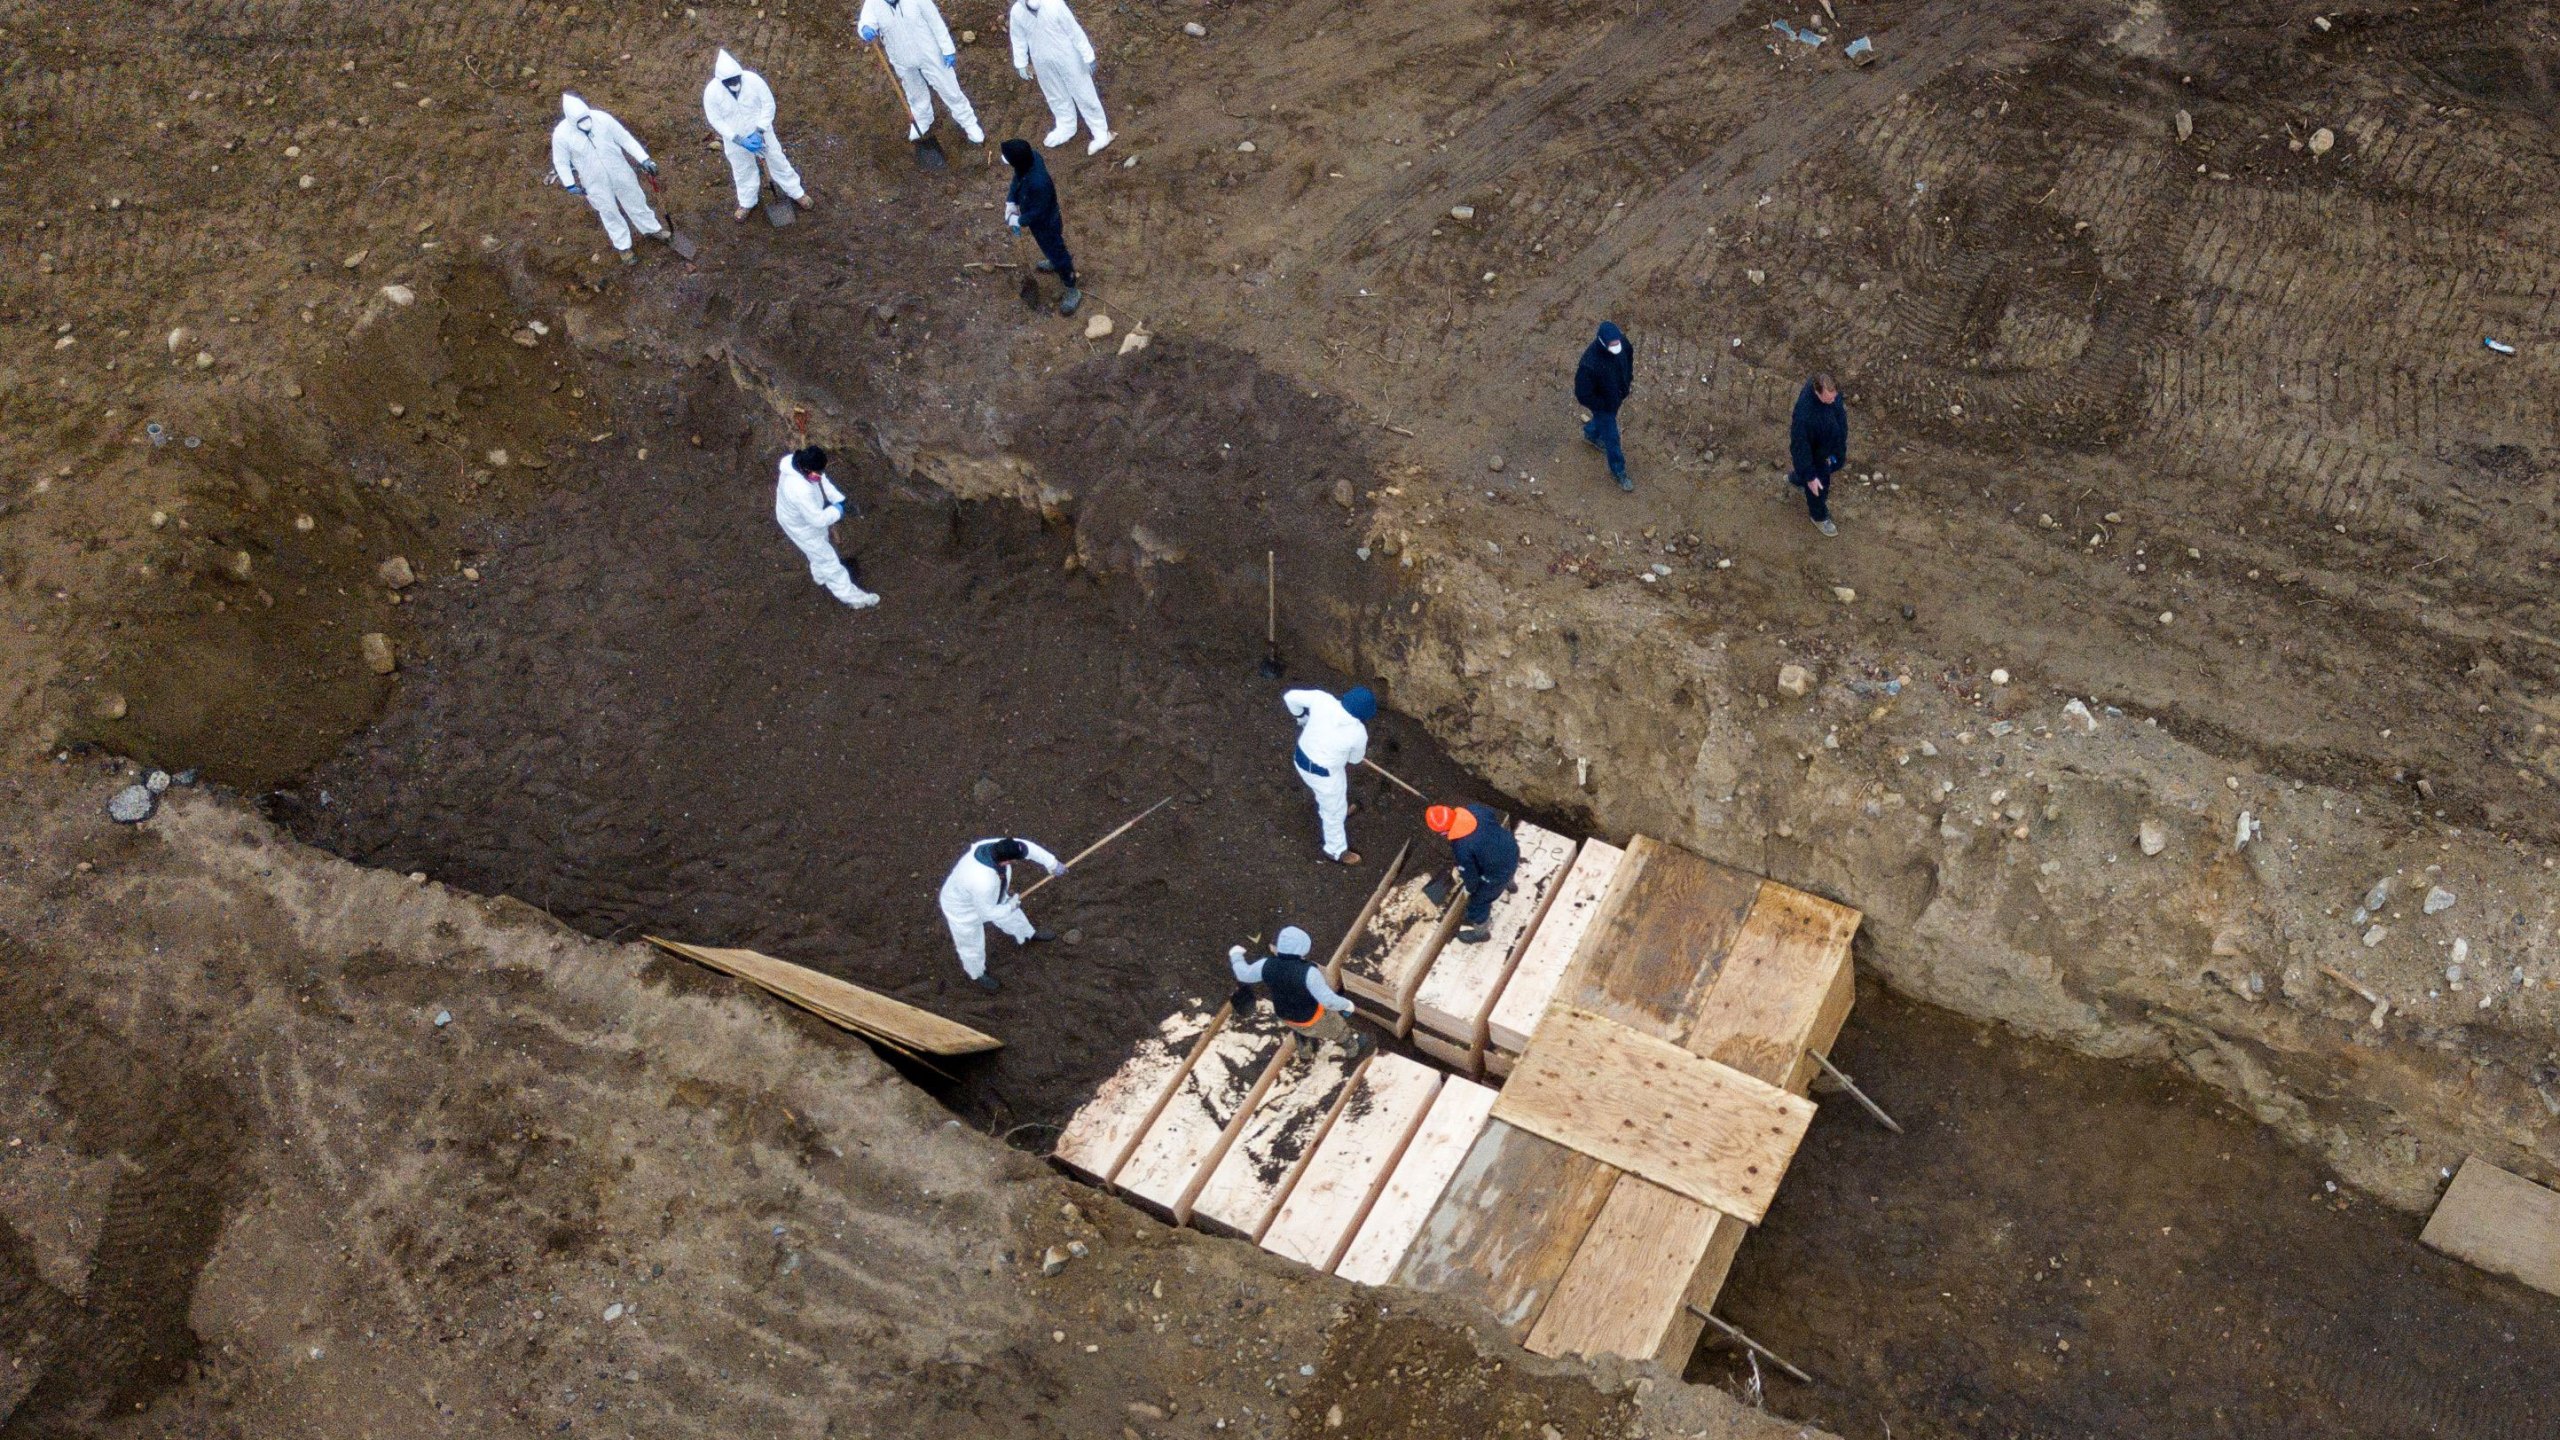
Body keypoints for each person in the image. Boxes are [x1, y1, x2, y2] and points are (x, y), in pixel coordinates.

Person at [550, 94, 669, 263]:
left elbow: (625, 138)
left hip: (619, 170)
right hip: (593, 181)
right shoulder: (561, 135)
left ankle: (651, 228)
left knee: (635, 199)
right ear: (571, 121)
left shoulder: (602, 119)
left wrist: (644, 159)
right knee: (608, 211)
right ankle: (623, 246)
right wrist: (569, 183)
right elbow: (561, 162)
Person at [939, 836, 1065, 990]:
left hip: (994, 897)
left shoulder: (994, 846)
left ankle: (1027, 934)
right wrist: (1010, 906)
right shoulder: (982, 881)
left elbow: (1028, 848)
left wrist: (1052, 863)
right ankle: (977, 973)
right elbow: (987, 913)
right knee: (970, 942)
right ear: (1006, 862)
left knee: (1014, 917)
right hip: (963, 909)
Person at [1229, 927, 1372, 1062]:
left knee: (1300, 1029)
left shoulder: (1267, 965)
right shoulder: (1309, 973)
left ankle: (1305, 1052)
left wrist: (1236, 955)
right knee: (1337, 1028)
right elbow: (1328, 1000)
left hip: (1286, 1015)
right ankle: (1352, 1047)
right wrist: (1347, 1005)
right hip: (1313, 1017)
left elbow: (1244, 974)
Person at [703, 49, 812, 223]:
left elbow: (769, 105)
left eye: (736, 79)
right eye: (729, 81)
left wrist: (760, 130)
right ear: (721, 81)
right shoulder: (711, 92)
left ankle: (796, 192)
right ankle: (747, 202)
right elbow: (715, 120)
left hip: (762, 132)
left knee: (777, 160)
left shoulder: (753, 81)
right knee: (742, 169)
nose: (734, 83)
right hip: (735, 140)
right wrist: (738, 139)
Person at [858, 0, 985, 145]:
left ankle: (968, 122)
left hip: (930, 54)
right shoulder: (873, 3)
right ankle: (923, 120)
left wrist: (947, 49)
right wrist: (865, 28)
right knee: (915, 93)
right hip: (901, 59)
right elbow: (866, 21)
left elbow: (936, 22)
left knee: (949, 89)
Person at [773, 447, 880, 610]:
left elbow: (822, 480)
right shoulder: (799, 490)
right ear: (806, 470)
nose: (819, 475)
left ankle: (820, 575)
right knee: (828, 560)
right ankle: (853, 597)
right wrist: (838, 510)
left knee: (818, 549)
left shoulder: (797, 464)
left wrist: (840, 500)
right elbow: (818, 519)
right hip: (802, 527)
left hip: (803, 516)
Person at [1284, 685, 1376, 866]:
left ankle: (1338, 811)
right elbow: (1355, 760)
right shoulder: (1358, 733)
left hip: (1301, 757)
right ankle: (1335, 850)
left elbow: (1290, 697)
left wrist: (1301, 718)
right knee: (1332, 812)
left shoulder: (1322, 699)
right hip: (1324, 775)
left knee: (1335, 800)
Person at [1008, 0, 1111, 154]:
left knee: (1083, 91)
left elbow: (1074, 30)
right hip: (1041, 60)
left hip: (1067, 55)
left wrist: (1087, 55)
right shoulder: (1017, 12)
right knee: (1055, 94)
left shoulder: (1054, 4)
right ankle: (1066, 124)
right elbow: (1018, 38)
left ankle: (1100, 131)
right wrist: (1021, 62)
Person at [1001, 140, 1083, 316]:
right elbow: (1017, 177)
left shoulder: (1039, 184)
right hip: (1038, 225)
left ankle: (1071, 287)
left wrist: (1020, 220)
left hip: (1047, 223)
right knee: (1047, 248)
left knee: (1057, 252)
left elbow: (1038, 211)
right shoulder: (1032, 157)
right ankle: (1053, 261)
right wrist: (1011, 200)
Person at [1425, 803, 1518, 945]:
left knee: (1478, 902)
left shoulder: (1462, 847)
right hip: (1510, 848)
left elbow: (1471, 876)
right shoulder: (1474, 810)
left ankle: (1481, 933)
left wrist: (1471, 889)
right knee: (1506, 866)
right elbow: (1491, 814)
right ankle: (1511, 885)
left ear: (1443, 831)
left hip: (1496, 874)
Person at [1788, 373, 1849, 537]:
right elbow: (1800, 448)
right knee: (1819, 487)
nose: (1833, 401)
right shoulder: (1805, 416)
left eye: (1835, 397)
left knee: (1817, 473)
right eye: (1828, 399)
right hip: (1818, 456)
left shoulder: (1831, 392)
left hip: (1832, 447)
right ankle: (1819, 516)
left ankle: (1797, 479)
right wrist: (1810, 476)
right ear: (1817, 391)